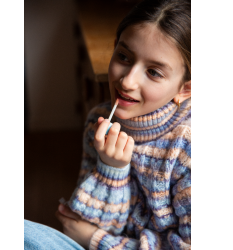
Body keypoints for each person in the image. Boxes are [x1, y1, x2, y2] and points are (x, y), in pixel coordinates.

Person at [25, 0, 191, 249]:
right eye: (124, 56)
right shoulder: (99, 119)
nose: (127, 81)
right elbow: (83, 221)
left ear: (185, 89)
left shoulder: (188, 147)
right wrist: (111, 169)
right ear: (114, 48)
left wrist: (94, 240)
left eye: (154, 72)